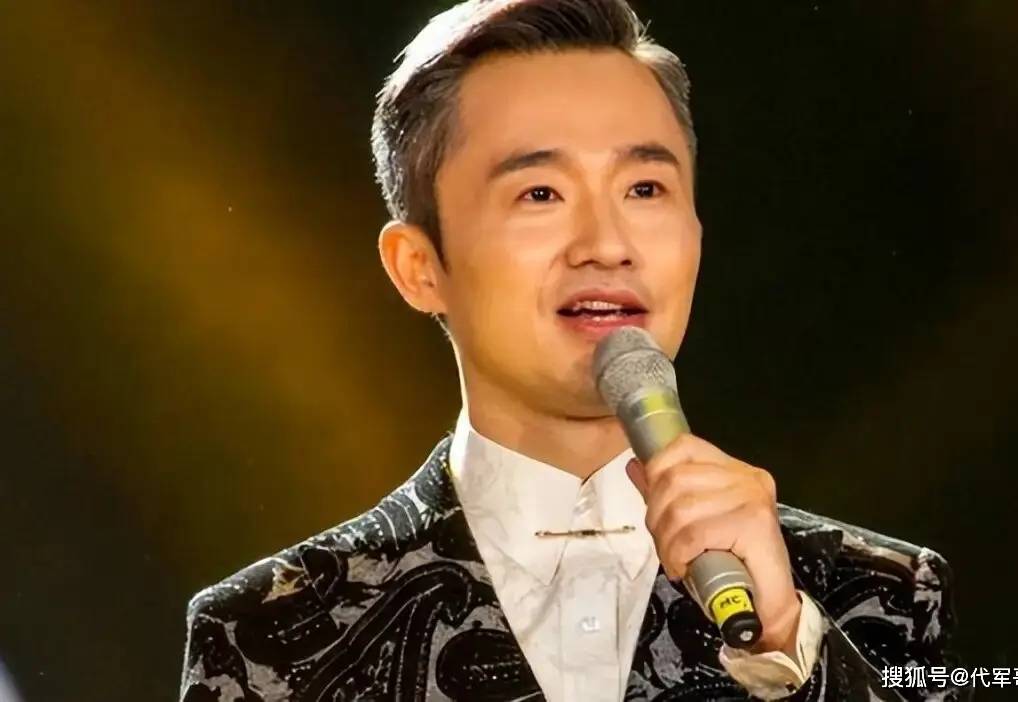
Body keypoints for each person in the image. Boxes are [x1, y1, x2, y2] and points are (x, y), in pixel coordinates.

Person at [180, 1, 964, 699]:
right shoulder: (271, 634)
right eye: (541, 194)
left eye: (645, 189)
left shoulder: (881, 595)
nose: (606, 244)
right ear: (418, 268)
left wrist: (788, 645)